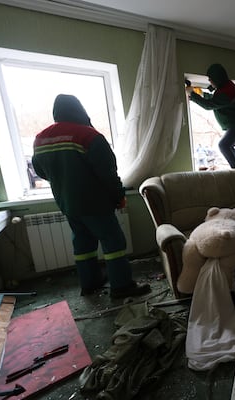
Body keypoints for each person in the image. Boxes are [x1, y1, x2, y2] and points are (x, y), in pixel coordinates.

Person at [32, 94, 151, 299]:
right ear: (79, 110)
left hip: (67, 204)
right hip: (94, 203)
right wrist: (118, 196)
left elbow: (41, 172)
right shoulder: (89, 136)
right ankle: (121, 286)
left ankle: (90, 283)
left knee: (83, 243)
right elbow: (108, 173)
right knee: (113, 242)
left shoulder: (41, 139)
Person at [186, 64, 235, 168]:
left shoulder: (228, 91)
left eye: (210, 79)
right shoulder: (226, 87)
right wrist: (201, 94)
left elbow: (210, 105)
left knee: (223, 145)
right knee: (228, 146)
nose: (209, 82)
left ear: (217, 79)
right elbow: (216, 100)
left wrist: (193, 95)